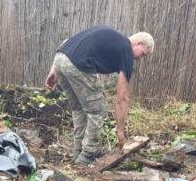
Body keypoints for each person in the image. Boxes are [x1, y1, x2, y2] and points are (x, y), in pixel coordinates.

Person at [45, 26, 154, 165]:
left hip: (61, 58)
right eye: (143, 54)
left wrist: (54, 69)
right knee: (97, 108)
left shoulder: (111, 36)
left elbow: (67, 42)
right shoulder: (126, 50)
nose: (140, 59)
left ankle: (78, 151)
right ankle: (88, 154)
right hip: (77, 64)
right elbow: (121, 98)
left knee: (79, 107)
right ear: (138, 43)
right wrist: (120, 130)